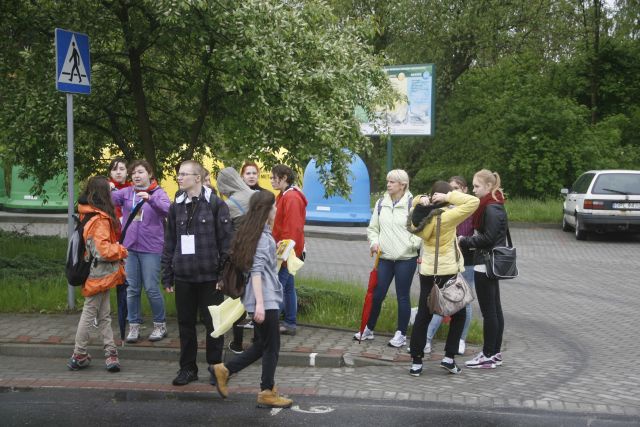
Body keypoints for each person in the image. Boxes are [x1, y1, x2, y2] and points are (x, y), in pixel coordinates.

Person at [213, 190, 292, 409]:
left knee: (262, 344)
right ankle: (266, 391)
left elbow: (258, 265)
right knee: (272, 347)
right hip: (264, 299)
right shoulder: (260, 237)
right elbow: (256, 272)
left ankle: (225, 370)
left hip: (263, 296)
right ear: (267, 211)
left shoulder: (256, 233)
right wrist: (258, 305)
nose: (276, 210)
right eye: (274, 207)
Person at [162, 160, 233, 386]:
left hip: (210, 278)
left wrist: (223, 275)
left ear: (198, 178)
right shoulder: (176, 206)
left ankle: (215, 368)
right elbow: (170, 242)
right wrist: (168, 274)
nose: (179, 178)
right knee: (185, 324)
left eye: (184, 174)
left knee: (214, 326)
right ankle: (187, 368)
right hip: (184, 276)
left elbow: (226, 244)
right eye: (179, 174)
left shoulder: (215, 204)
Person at [407, 181, 479, 376]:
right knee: (459, 312)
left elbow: (411, 203)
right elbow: (473, 202)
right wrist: (449, 197)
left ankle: (416, 362)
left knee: (425, 313)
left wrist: (419, 199)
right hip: (447, 270)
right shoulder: (447, 216)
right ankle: (448, 358)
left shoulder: (420, 215)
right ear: (443, 197)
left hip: (428, 270)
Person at [355, 169, 421, 348]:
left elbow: (421, 231)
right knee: (377, 295)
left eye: (392, 182)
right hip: (384, 258)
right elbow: (373, 228)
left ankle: (400, 334)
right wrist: (374, 243)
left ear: (403, 185)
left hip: (406, 259)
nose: (388, 184)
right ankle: (368, 328)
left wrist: (410, 245)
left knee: (402, 296)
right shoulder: (380, 203)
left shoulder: (413, 205)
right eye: (387, 181)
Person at [68, 176, 128, 372]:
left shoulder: (89, 214)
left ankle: (110, 354)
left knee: (103, 315)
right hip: (99, 272)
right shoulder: (99, 219)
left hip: (98, 272)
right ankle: (79, 354)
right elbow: (102, 251)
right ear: (104, 194)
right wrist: (121, 250)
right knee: (90, 313)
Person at [112, 160, 170, 343]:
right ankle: (134, 326)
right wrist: (108, 187)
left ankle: (160, 325)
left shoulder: (159, 193)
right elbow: (111, 199)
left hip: (151, 248)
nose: (136, 176)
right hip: (130, 248)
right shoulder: (128, 192)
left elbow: (168, 210)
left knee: (152, 288)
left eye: (140, 172)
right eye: (133, 173)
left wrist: (150, 199)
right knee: (132, 289)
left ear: (149, 174)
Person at [459, 169, 508, 369]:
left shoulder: (491, 208)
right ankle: (494, 353)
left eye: (477, 186)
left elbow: (488, 238)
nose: (473, 189)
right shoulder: (492, 205)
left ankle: (488, 354)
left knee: (490, 311)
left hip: (485, 263)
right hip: (488, 262)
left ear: (488, 186)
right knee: (494, 309)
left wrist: (465, 240)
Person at [422, 176, 476, 355]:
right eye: (449, 190)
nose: (452, 193)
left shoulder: (459, 210)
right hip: (446, 265)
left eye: (456, 189)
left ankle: (458, 340)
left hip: (462, 260)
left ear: (463, 190)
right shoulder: (445, 213)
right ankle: (433, 344)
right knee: (442, 303)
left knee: (460, 303)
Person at [216, 166, 255, 354]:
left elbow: (224, 233)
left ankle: (238, 343)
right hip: (259, 250)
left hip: (240, 254)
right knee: (256, 296)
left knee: (237, 297)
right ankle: (258, 341)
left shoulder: (230, 204)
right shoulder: (254, 196)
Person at [270, 164, 307, 336]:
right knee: (287, 288)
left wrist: (283, 254)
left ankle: (269, 325)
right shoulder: (286, 196)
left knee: (276, 288)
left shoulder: (291, 197)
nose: (271, 180)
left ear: (284, 177)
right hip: (288, 251)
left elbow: (291, 229)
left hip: (286, 252)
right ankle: (290, 322)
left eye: (273, 177)